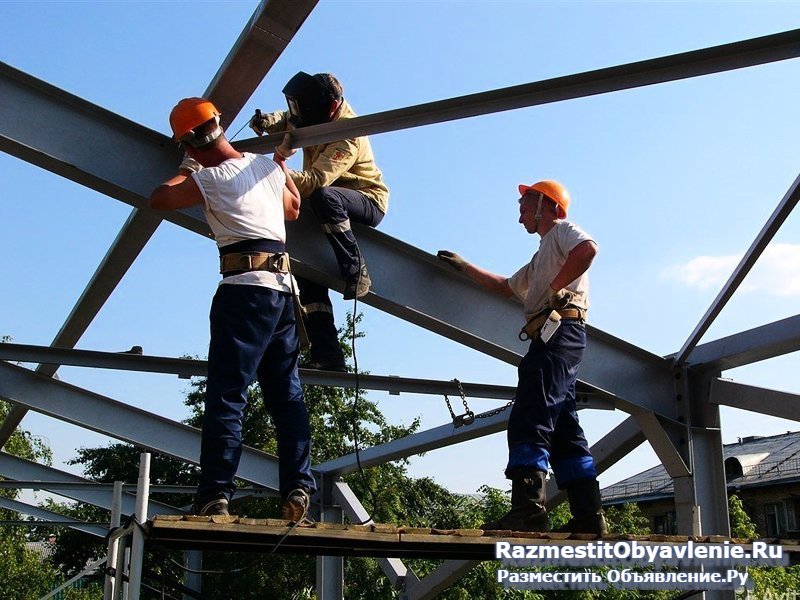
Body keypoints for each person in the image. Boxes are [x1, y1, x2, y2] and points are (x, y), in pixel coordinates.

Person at [149, 97, 316, 521]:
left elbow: (160, 199)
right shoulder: (263, 165)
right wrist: (280, 167)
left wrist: (188, 169)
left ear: (188, 142)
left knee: (228, 394)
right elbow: (293, 209)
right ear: (220, 123)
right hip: (283, 291)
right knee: (287, 395)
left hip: (244, 291)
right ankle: (298, 486)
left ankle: (215, 494)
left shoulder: (210, 178)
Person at [437, 180, 607, 535]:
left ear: (546, 204)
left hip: (559, 331)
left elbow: (588, 250)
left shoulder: (562, 231)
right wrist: (465, 267)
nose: (520, 218)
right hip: (556, 335)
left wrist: (558, 287)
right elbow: (505, 287)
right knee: (563, 428)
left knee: (530, 415)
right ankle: (589, 516)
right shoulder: (542, 255)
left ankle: (529, 508)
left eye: (523, 208)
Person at [249, 72, 389, 372]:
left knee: (326, 196)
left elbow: (315, 181)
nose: (297, 115)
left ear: (325, 108)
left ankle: (355, 269)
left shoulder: (347, 133)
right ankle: (328, 355)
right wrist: (267, 122)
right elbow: (287, 117)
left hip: (364, 200)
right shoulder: (310, 114)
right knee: (306, 273)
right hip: (324, 208)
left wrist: (268, 174)